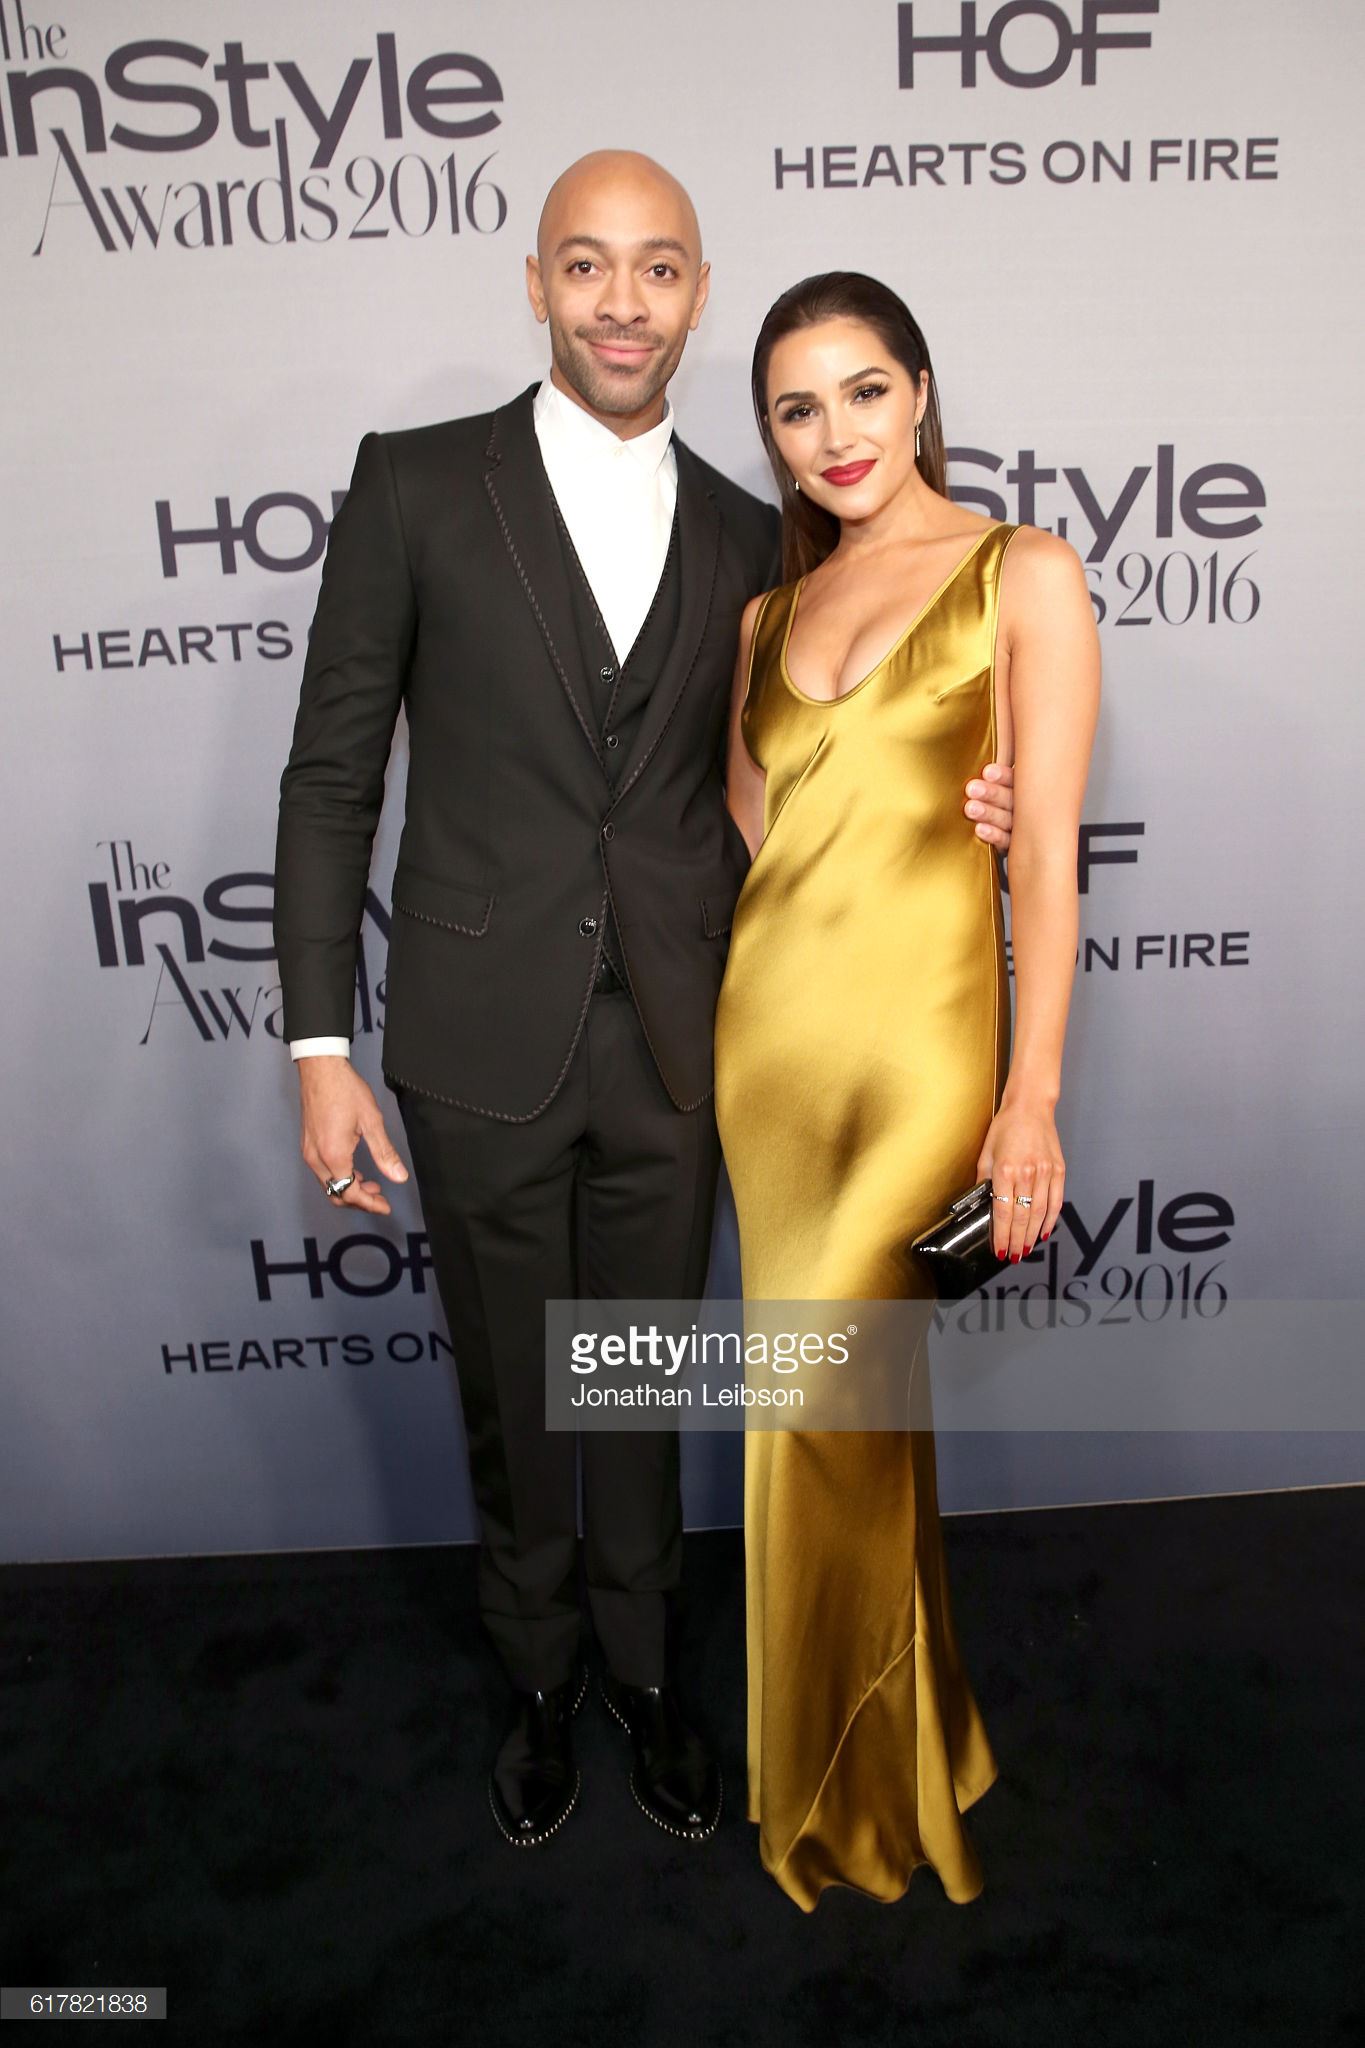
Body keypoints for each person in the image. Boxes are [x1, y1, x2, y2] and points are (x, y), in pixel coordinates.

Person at [273, 161, 1018, 1853]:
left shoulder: (758, 537)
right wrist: (319, 1046)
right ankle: (536, 1679)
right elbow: (330, 779)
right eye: (589, 265)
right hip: (476, 1037)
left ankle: (641, 1668)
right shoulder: (414, 486)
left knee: (626, 1380)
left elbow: (804, 777)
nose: (623, 302)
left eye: (659, 269)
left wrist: (966, 807)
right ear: (535, 280)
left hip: (691, 1040)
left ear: (695, 294)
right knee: (514, 1384)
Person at [716, 272, 1100, 1910]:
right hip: (770, 1055)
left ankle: (846, 1797)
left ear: (921, 392)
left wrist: (1029, 1098)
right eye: (796, 409)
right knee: (846, 1416)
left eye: (863, 391)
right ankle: (915, 1742)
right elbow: (761, 834)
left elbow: (1047, 865)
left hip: (923, 1054)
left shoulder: (1024, 572)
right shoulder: (762, 619)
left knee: (812, 1406)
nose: (835, 435)